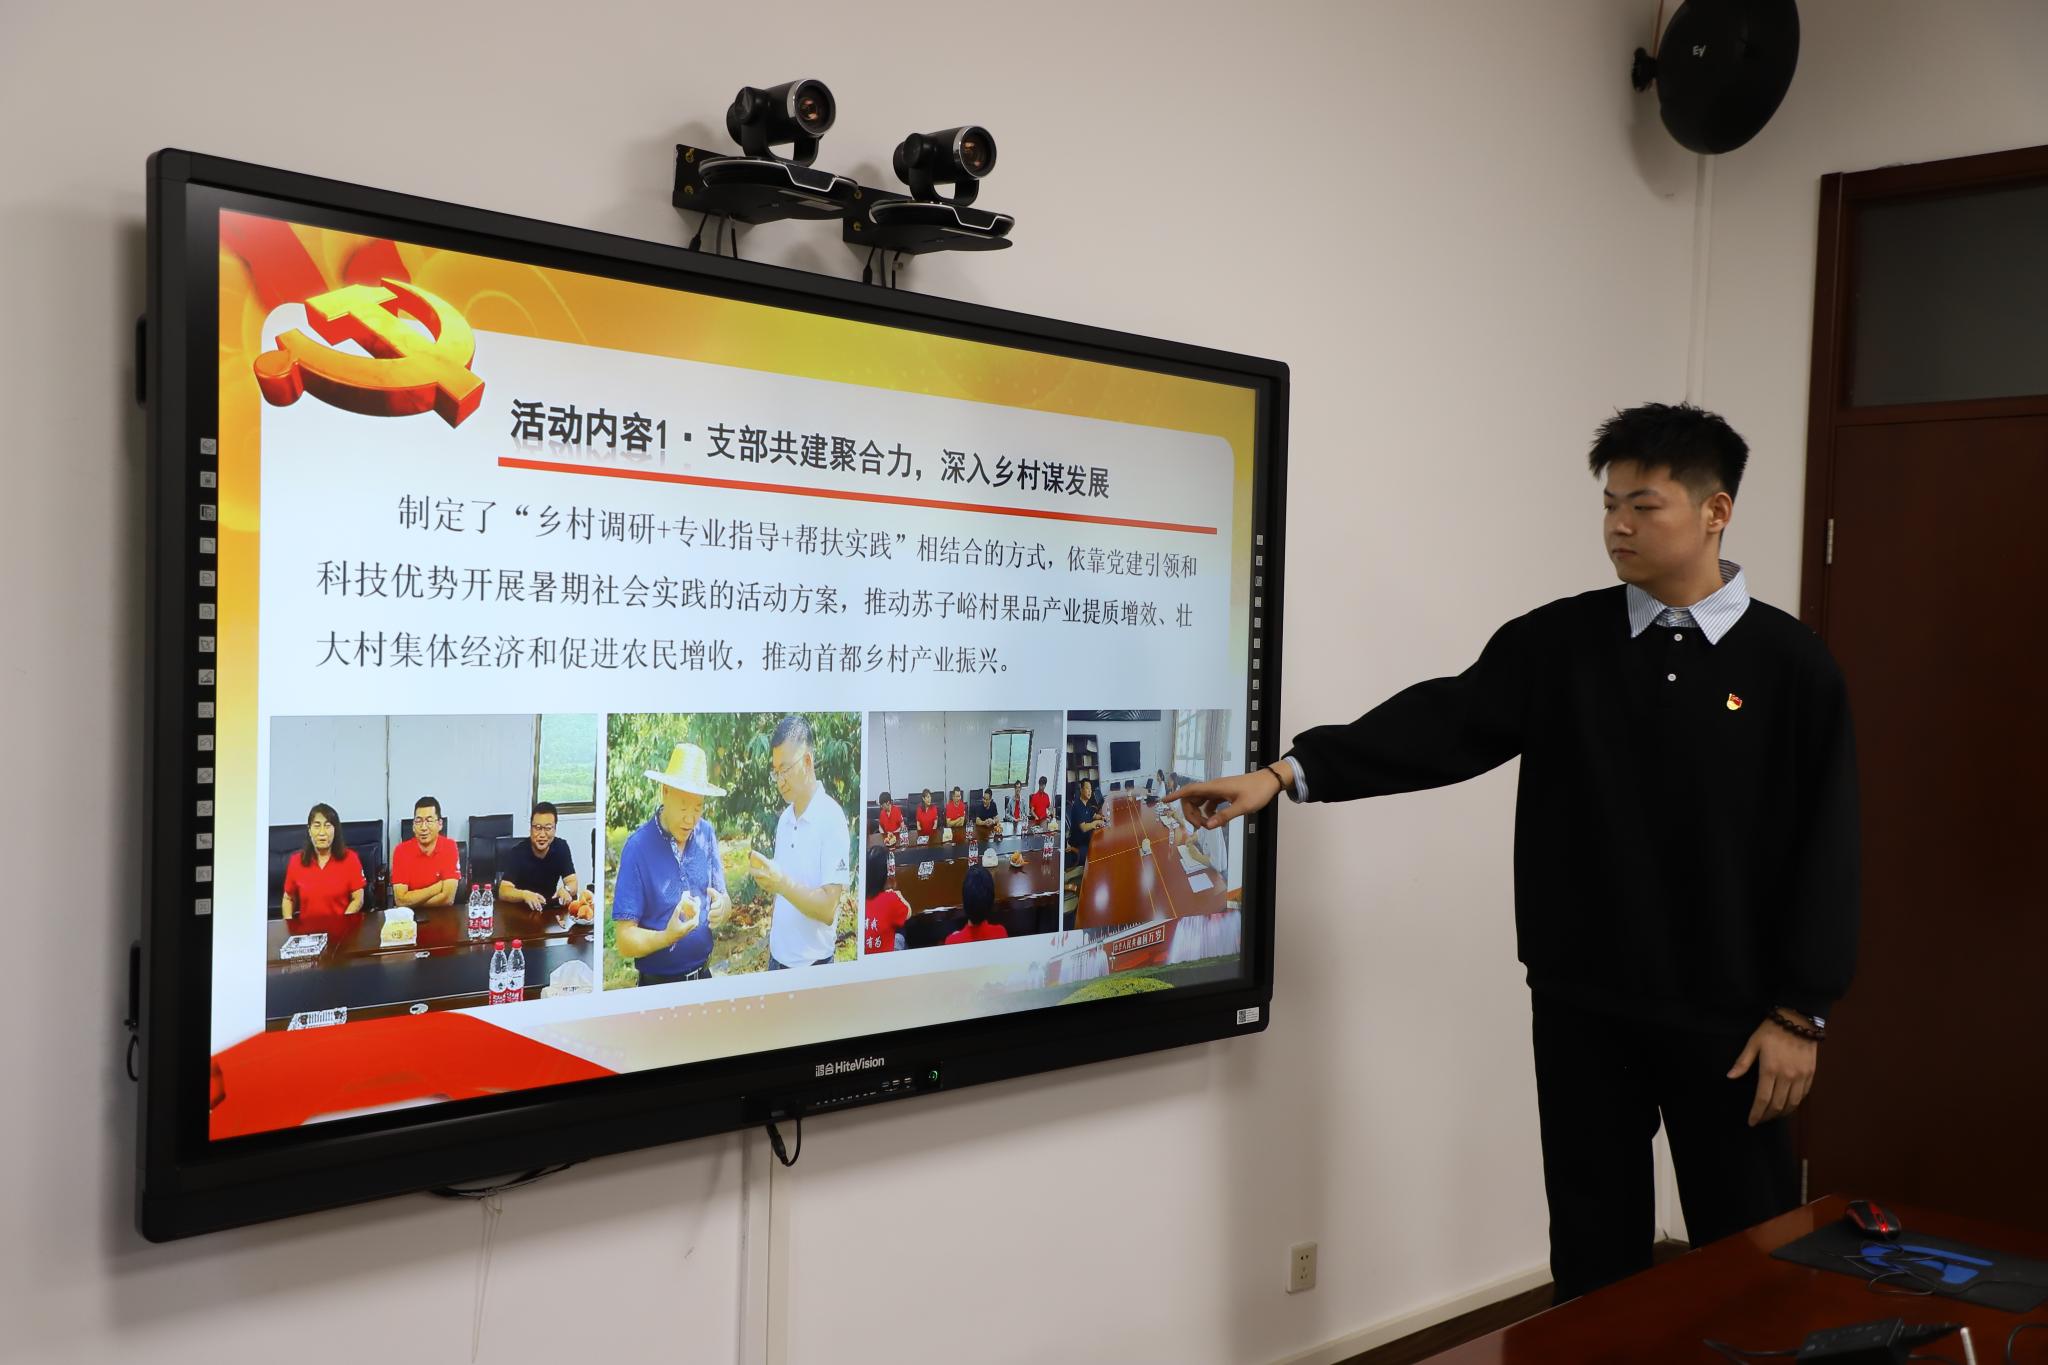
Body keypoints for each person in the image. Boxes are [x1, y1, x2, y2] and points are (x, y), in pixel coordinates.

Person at [1170, 403, 1859, 1303]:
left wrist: (1801, 1013)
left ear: (1715, 511)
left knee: (1748, 1256)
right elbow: (1445, 723)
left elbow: (1827, 844)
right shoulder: (1559, 642)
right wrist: (1287, 773)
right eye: (1609, 504)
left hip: (1731, 1017)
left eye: (1643, 505)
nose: (1618, 525)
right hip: (1583, 1004)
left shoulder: (1792, 665)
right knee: (1591, 1252)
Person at [612, 743, 732, 986]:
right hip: (658, 987)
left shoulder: (706, 833)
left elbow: (723, 897)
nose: (690, 818)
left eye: (698, 807)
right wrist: (667, 937)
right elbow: (624, 940)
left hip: (704, 979)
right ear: (665, 792)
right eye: (683, 806)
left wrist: (723, 908)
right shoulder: (638, 847)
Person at [753, 715, 851, 970]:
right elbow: (785, 894)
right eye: (775, 772)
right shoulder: (785, 820)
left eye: (785, 769)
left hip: (812, 966)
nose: (780, 780)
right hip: (777, 960)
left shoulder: (831, 818)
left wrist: (781, 884)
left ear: (807, 762)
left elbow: (828, 908)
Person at [280, 802, 364, 920]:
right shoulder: (296, 861)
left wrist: (343, 923)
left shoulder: (350, 859)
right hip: (307, 929)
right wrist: (289, 923)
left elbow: (358, 899)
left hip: (341, 926)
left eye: (327, 826)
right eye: (317, 826)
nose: (322, 832)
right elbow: (288, 898)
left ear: (335, 830)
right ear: (309, 830)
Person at [496, 800, 581, 909]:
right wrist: (524, 895)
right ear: (530, 829)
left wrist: (566, 890)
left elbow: (572, 881)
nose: (542, 834)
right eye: (537, 828)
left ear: (555, 829)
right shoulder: (517, 852)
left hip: (548, 910)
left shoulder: (561, 847)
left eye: (548, 828)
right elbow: (503, 891)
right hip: (521, 910)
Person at [390, 796, 459, 909]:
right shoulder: (401, 851)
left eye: (429, 821)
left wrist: (413, 902)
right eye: (418, 821)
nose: (423, 827)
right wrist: (438, 887)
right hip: (411, 917)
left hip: (442, 915)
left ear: (440, 824)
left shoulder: (449, 847)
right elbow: (400, 900)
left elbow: (448, 898)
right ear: (413, 826)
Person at [862, 844, 912, 954]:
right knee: (901, 931)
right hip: (886, 958)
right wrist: (898, 895)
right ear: (883, 874)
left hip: (865, 957)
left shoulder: (855, 900)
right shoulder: (891, 899)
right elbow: (908, 912)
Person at [943, 864, 1007, 944]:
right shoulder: (1001, 933)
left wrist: (957, 936)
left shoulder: (951, 941)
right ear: (991, 903)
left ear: (964, 902)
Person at [1065, 778, 1106, 865]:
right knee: (1099, 852)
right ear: (1081, 790)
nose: (1090, 791)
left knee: (1103, 842)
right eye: (1087, 788)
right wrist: (1095, 823)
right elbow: (1083, 828)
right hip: (1079, 845)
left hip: (1088, 838)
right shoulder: (1077, 806)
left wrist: (1101, 817)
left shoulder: (1087, 803)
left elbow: (1093, 815)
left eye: (1090, 789)